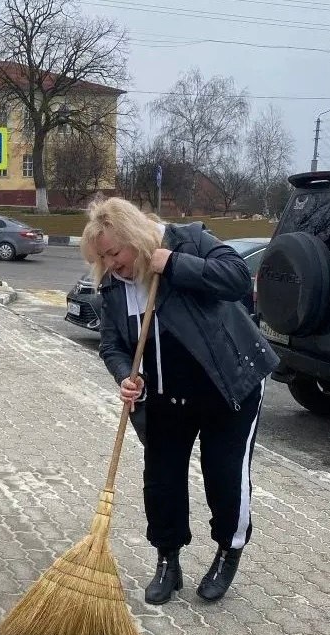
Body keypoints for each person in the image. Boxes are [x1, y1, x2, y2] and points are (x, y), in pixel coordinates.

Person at [81, 197, 278, 604]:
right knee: (161, 481)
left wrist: (173, 265)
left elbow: (237, 279)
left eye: (115, 252)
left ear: (134, 236)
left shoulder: (190, 241)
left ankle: (228, 550)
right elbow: (112, 345)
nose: (111, 263)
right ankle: (168, 561)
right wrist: (125, 376)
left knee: (224, 476)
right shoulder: (111, 288)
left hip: (229, 387)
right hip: (167, 396)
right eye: (103, 257)